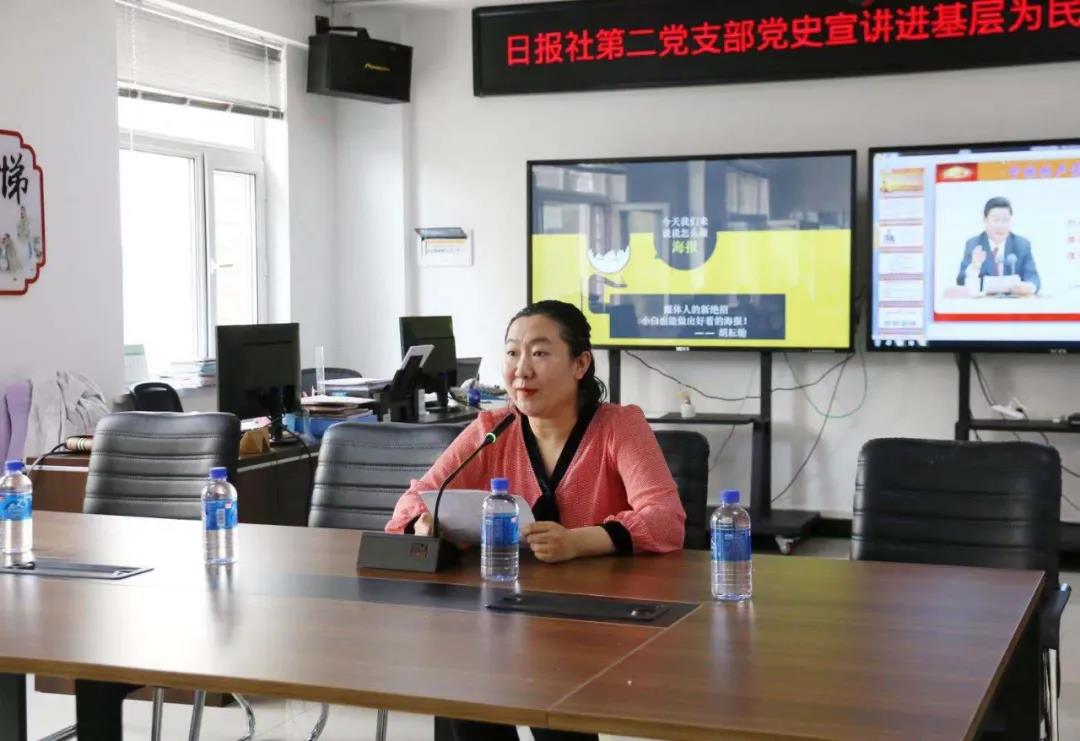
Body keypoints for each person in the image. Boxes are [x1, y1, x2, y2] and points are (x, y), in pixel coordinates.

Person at [386, 299, 686, 741]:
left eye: (540, 353)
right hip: (505, 617)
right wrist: (423, 523)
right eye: (512, 353)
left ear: (581, 364)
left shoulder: (619, 427)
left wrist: (577, 542)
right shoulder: (493, 428)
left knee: (550, 707)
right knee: (461, 687)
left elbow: (665, 520)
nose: (521, 370)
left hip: (594, 623)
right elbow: (414, 500)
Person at [956, 196, 1040, 295]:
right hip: (984, 302)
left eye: (1005, 220)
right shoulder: (974, 244)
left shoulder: (1022, 244)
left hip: (1014, 302)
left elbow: (1033, 277)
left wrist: (1029, 287)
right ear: (985, 220)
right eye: (996, 220)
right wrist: (974, 268)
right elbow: (961, 280)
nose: (1000, 226)